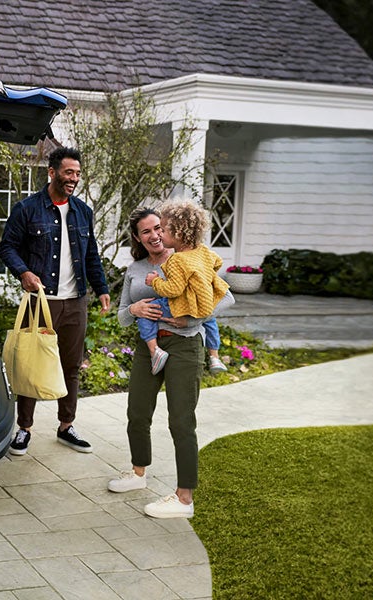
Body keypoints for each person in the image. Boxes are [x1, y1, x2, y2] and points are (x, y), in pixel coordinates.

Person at [108, 206, 234, 519]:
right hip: (147, 346)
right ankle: (138, 475)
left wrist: (190, 317)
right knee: (137, 412)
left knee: (181, 420)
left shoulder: (192, 258)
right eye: (147, 231)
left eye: (158, 228)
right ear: (138, 237)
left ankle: (184, 498)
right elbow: (122, 316)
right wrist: (135, 309)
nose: (155, 235)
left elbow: (226, 298)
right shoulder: (136, 269)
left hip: (185, 346)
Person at [0, 146, 111, 456]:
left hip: (75, 302)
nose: (73, 178)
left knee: (70, 366)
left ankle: (66, 426)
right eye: (68, 172)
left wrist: (101, 288)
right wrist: (23, 272)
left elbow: (90, 255)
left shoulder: (83, 212)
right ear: (52, 173)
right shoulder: (28, 209)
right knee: (29, 363)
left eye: (77, 173)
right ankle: (24, 429)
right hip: (40, 300)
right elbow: (7, 247)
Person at [137, 201, 230, 375]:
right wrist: (202, 276)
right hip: (202, 303)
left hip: (180, 307)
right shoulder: (202, 251)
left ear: (178, 233)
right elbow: (218, 261)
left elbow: (173, 290)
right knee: (210, 320)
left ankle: (155, 352)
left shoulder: (177, 259)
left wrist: (154, 281)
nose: (159, 234)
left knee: (146, 313)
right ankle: (214, 357)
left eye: (163, 230)